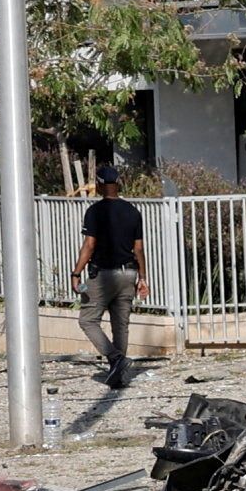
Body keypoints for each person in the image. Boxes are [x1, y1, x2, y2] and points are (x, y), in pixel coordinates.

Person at [72, 163, 150, 392]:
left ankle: (116, 359)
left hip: (104, 275)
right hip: (129, 273)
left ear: (98, 185)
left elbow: (89, 244)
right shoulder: (132, 211)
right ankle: (118, 377)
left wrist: (76, 273)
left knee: (87, 320)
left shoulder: (95, 212)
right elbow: (139, 249)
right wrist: (142, 278)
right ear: (118, 184)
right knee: (121, 325)